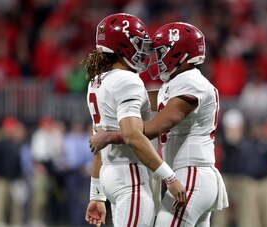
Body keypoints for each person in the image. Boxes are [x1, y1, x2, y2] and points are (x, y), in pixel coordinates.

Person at [90, 22, 229, 226]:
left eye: (162, 52)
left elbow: (154, 127)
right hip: (192, 174)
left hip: (192, 173)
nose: (157, 58)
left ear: (179, 54)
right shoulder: (178, 82)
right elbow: (141, 100)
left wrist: (111, 135)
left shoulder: (191, 82)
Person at [81, 13, 187, 227]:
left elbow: (99, 143)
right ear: (122, 46)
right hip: (131, 175)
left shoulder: (97, 81)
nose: (144, 50)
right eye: (139, 43)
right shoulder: (128, 81)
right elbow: (132, 136)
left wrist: (97, 193)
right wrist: (170, 177)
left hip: (112, 172)